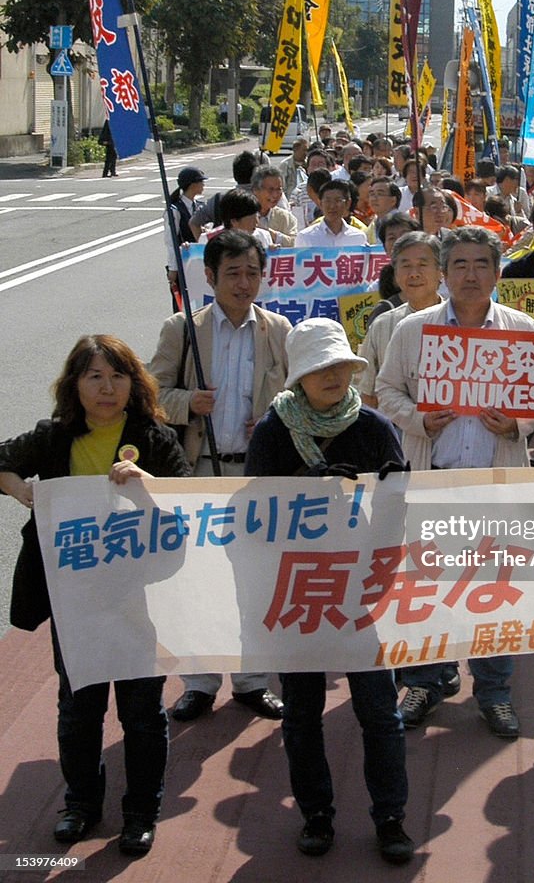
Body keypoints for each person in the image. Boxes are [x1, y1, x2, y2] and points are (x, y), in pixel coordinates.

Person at [0, 335, 191, 854]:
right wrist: (19, 488)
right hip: (75, 596)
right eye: (94, 377)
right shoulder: (55, 436)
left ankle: (141, 812)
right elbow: (3, 460)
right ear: (74, 386)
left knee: (141, 711)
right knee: (79, 707)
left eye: (118, 377)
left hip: (140, 595)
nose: (107, 389)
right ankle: (81, 804)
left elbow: (189, 501)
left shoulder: (153, 437)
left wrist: (148, 482)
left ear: (135, 384)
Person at [377, 226, 534, 738]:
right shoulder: (413, 330)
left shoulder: (522, 330)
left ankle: (494, 691)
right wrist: (417, 418)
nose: (471, 274)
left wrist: (519, 423)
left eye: (482, 264)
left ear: (498, 273)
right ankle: (424, 682)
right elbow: (386, 388)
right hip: (432, 479)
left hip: (495, 484)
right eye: (459, 264)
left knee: (494, 590)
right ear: (443, 272)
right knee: (425, 586)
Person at [245, 318, 414, 865]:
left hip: (362, 593)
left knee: (379, 712)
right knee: (301, 711)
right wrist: (308, 497)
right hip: (300, 593)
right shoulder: (272, 434)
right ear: (298, 376)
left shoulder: (375, 428)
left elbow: (401, 513)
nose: (334, 375)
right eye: (321, 367)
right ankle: (316, 814)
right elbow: (251, 518)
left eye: (341, 364)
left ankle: (390, 817)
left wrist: (383, 495)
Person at [149, 230, 291, 722]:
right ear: (209, 277)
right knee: (199, 581)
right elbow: (151, 395)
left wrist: (276, 415)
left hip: (254, 475)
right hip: (200, 472)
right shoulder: (183, 329)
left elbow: (298, 399)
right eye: (233, 272)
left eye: (253, 272)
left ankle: (252, 680)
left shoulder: (278, 330)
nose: (244, 282)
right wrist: (188, 403)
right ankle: (199, 682)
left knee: (254, 582)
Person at [357, 232, 443, 407]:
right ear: (395, 274)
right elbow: (367, 392)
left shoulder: (459, 322)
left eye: (422, 265)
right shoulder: (382, 325)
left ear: (441, 271)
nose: (414, 274)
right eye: (405, 266)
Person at [163, 166, 207, 306]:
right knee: (183, 305)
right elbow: (171, 241)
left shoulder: (200, 206)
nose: (203, 185)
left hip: (199, 262)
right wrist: (173, 269)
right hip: (183, 263)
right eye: (201, 181)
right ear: (193, 185)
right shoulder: (174, 209)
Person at [294, 180, 368, 248]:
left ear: (348, 203)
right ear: (320, 203)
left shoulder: (358, 237)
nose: (332, 206)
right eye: (327, 201)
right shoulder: (305, 237)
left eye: (338, 200)